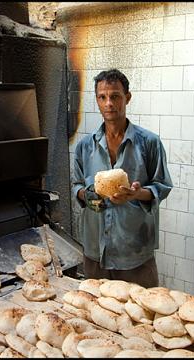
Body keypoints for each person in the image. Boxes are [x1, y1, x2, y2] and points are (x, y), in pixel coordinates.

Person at [72, 68, 173, 288]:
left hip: (134, 253)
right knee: (96, 316)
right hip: (95, 253)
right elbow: (77, 185)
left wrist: (137, 194)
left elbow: (162, 186)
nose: (109, 103)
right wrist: (85, 194)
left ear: (127, 97)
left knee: (141, 317)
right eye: (102, 97)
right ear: (97, 100)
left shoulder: (149, 143)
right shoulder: (84, 147)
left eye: (115, 96)